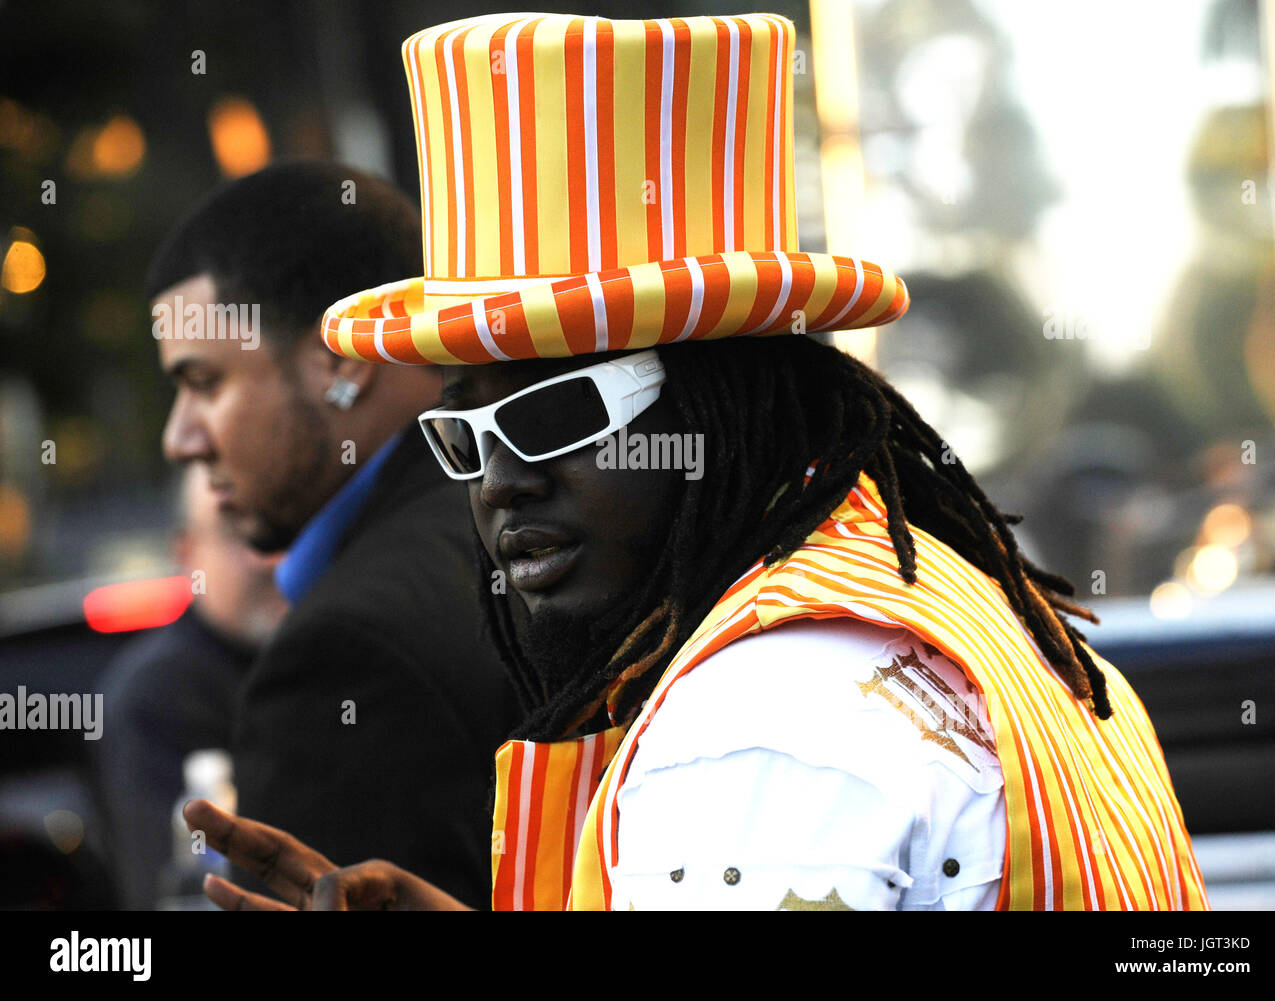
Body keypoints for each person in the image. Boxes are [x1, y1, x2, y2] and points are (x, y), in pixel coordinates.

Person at [184, 13, 1207, 910]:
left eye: (559, 412)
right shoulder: (943, 602)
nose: (501, 481)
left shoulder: (756, 733)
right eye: (467, 434)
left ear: (719, 400)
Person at [148, 161, 520, 910]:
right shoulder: (537, 519)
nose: (179, 437)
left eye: (204, 382)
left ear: (343, 357)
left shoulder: (343, 651)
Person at [91, 464, 286, 909]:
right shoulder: (153, 699)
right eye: (237, 533)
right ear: (186, 552)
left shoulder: (331, 653)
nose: (267, 560)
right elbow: (167, 889)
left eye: (278, 531)